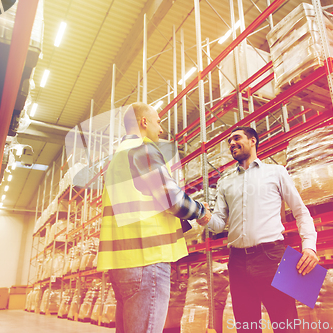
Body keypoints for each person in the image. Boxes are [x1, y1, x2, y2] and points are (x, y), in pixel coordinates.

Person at [97, 102, 211, 333]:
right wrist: (200, 211)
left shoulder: (116, 160)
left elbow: (145, 203)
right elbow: (171, 199)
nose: (161, 129)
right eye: (158, 122)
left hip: (123, 264)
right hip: (147, 260)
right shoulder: (143, 150)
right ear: (144, 122)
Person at [196, 126, 318, 333]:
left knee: (285, 324)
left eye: (236, 138)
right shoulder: (225, 182)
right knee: (246, 326)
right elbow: (219, 224)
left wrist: (310, 247)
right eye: (229, 142)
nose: (231, 144)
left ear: (253, 140)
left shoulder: (276, 172)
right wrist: (203, 216)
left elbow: (300, 211)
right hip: (236, 262)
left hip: (271, 257)